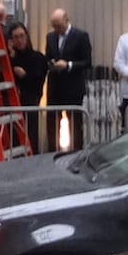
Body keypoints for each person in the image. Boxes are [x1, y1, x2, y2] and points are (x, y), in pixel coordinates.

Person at [44, 8, 92, 151]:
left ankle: (76, 152)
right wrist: (51, 63)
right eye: (54, 26)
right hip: (55, 87)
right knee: (52, 124)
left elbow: (87, 62)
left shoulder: (81, 36)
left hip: (73, 87)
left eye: (59, 25)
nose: (56, 29)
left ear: (66, 20)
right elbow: (48, 57)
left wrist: (69, 65)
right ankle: (52, 152)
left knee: (75, 124)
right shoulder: (50, 37)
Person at [8, 22, 47, 154]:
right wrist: (11, 57)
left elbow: (37, 83)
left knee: (31, 138)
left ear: (27, 37)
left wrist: (24, 76)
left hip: (30, 104)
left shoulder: (38, 58)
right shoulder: (11, 59)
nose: (19, 40)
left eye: (22, 36)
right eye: (15, 37)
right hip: (13, 106)